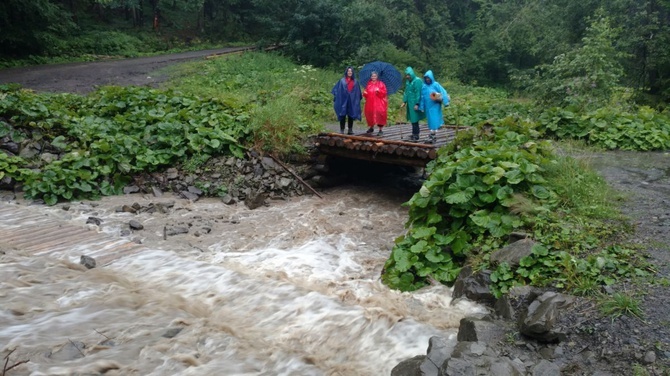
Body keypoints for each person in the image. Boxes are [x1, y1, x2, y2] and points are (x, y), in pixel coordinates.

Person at [418, 70, 450, 143]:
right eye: (426, 78)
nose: (427, 79)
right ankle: (432, 135)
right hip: (428, 106)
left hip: (435, 105)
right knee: (430, 120)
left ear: (431, 78)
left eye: (428, 78)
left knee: (434, 119)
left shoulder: (436, 84)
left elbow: (443, 92)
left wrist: (446, 102)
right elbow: (422, 97)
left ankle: (433, 134)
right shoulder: (424, 86)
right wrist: (421, 107)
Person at [331, 66, 362, 135]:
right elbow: (337, 90)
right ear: (346, 72)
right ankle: (342, 130)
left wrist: (356, 100)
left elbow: (358, 92)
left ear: (352, 72)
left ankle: (350, 130)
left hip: (352, 100)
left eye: (351, 71)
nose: (350, 72)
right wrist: (337, 97)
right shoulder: (342, 81)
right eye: (348, 71)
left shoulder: (356, 82)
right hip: (343, 100)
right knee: (343, 114)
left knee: (351, 114)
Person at [400, 67, 425, 141]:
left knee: (415, 119)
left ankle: (416, 135)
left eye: (409, 75)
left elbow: (419, 93)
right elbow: (406, 92)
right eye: (406, 75)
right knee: (412, 118)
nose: (407, 76)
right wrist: (404, 101)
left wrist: (417, 103)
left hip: (415, 103)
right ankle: (414, 133)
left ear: (412, 74)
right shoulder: (408, 82)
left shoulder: (417, 81)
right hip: (410, 103)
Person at [362, 71, 388, 136]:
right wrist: (365, 93)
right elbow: (367, 94)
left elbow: (384, 93)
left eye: (375, 76)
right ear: (371, 77)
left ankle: (380, 130)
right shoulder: (369, 84)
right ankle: (371, 127)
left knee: (380, 114)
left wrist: (379, 91)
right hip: (370, 103)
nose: (373, 77)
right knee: (370, 114)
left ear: (377, 77)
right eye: (372, 76)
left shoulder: (381, 84)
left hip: (379, 103)